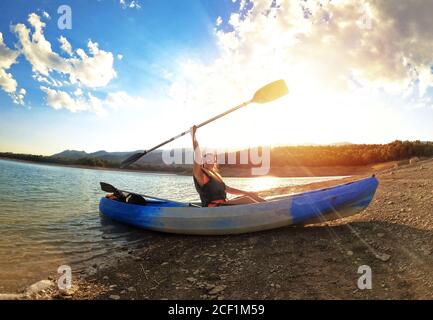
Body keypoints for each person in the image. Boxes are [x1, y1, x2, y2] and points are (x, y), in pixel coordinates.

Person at [191, 125, 266, 207]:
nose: (210, 161)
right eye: (208, 158)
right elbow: (197, 154)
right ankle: (268, 211)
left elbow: (228, 189)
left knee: (251, 196)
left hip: (223, 204)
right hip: (213, 207)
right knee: (247, 200)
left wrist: (247, 193)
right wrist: (193, 135)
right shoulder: (200, 174)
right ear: (203, 161)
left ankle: (271, 207)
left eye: (213, 159)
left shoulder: (216, 175)